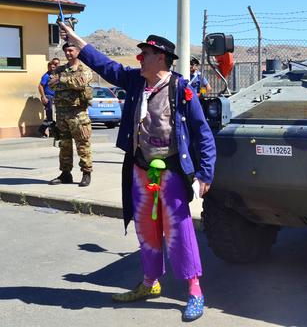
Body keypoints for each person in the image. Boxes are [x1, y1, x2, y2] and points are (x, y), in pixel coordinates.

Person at [58, 22, 216, 322]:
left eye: (145, 53)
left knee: (179, 232)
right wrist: (77, 41)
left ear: (161, 57)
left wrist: (205, 174)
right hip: (141, 170)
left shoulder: (181, 89)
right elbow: (106, 65)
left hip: (170, 173)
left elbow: (202, 133)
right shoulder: (134, 82)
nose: (139, 58)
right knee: (146, 230)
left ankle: (195, 290)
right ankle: (149, 282)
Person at [48, 44, 93, 187]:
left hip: (78, 113)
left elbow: (81, 82)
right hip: (61, 113)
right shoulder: (60, 69)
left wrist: (61, 80)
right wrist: (69, 82)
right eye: (66, 51)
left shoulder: (84, 69)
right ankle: (65, 174)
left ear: (78, 52)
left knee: (82, 144)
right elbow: (51, 84)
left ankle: (86, 173)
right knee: (64, 145)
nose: (68, 53)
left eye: (71, 50)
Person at [37, 58, 60, 137]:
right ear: (48, 67)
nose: (53, 68)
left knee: (51, 116)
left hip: (55, 97)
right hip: (48, 97)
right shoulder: (46, 75)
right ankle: (53, 132)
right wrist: (43, 97)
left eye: (54, 67)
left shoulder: (56, 75)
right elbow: (40, 86)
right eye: (51, 67)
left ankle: (42, 129)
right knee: (49, 114)